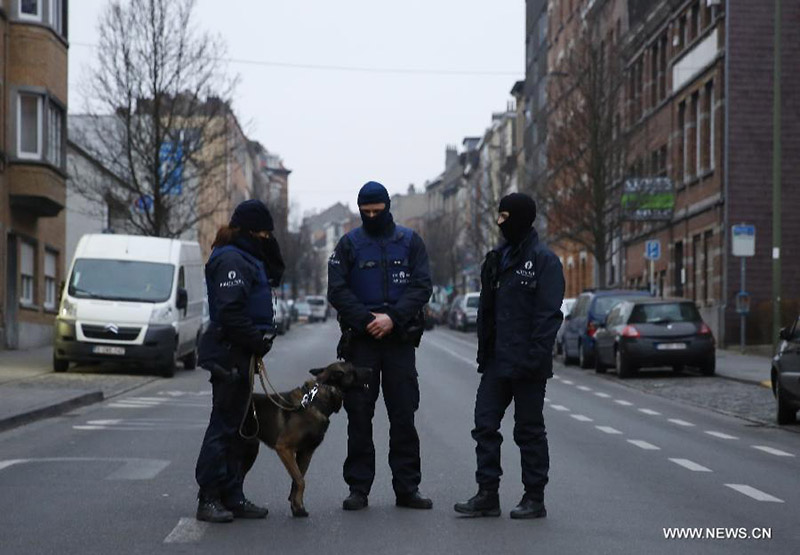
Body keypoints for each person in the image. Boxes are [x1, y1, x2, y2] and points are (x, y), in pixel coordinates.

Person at [454, 192, 564, 519]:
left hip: (529, 365)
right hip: (496, 363)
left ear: (520, 219)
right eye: (498, 217)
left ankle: (534, 497)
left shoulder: (544, 261)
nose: (501, 224)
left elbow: (548, 316)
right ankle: (487, 494)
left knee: (528, 431)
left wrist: (534, 358)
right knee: (484, 424)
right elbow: (488, 313)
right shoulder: (496, 258)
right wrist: (485, 353)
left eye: (505, 218)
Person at [327, 181, 433, 511]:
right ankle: (358, 487)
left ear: (388, 207)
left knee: (403, 416)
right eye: (366, 212)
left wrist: (393, 318)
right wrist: (365, 320)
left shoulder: (410, 242)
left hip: (399, 341)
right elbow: (337, 289)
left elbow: (421, 285)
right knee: (359, 416)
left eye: (378, 211)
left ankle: (407, 488)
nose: (372, 216)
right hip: (362, 343)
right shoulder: (349, 245)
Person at [194, 199, 285, 523]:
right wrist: (256, 340)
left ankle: (232, 495)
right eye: (264, 233)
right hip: (229, 351)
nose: (267, 238)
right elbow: (230, 312)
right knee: (224, 428)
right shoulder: (232, 258)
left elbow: (275, 273)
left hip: (240, 350)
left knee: (241, 431)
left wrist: (256, 343)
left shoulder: (247, 255)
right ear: (250, 231)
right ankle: (209, 497)